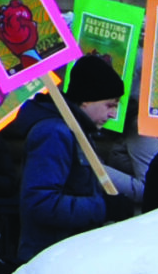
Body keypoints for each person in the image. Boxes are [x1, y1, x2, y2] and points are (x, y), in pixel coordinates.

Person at [15, 55, 136, 262]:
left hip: (68, 254)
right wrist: (103, 208)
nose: (114, 114)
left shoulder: (77, 131)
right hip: (50, 259)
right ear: (87, 100)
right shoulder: (54, 132)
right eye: (110, 105)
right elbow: (40, 203)